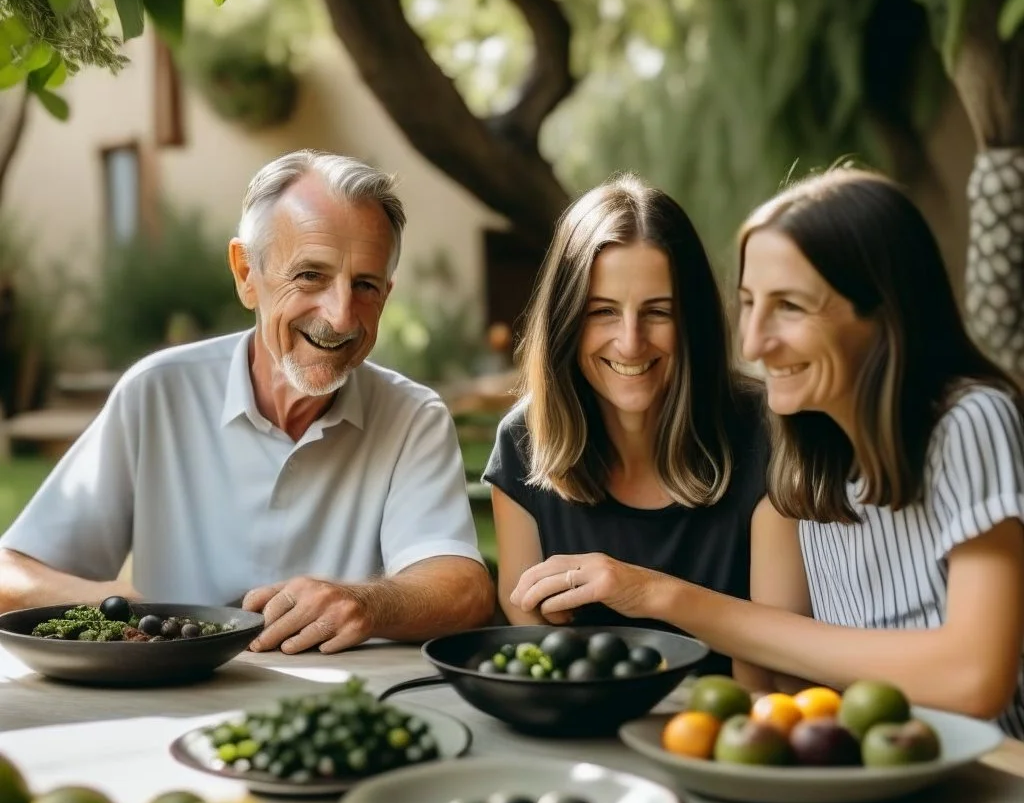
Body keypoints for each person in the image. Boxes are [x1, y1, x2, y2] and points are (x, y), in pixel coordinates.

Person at [508, 167, 1024, 737]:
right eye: (750, 304)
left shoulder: (970, 419)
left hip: (991, 777)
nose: (753, 342)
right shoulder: (807, 439)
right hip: (856, 766)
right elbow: (788, 681)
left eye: (791, 307)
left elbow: (975, 678)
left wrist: (658, 595)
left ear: (882, 310)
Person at [0, 150, 494, 653]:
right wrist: (123, 607)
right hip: (173, 699)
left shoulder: (413, 416)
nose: (342, 316)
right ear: (245, 274)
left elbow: (464, 590)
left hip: (335, 705)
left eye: (364, 285)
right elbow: (10, 574)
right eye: (310, 276)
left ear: (386, 294)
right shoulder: (158, 393)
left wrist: (365, 603)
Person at [483, 174, 768, 674]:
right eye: (603, 312)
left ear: (693, 321)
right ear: (566, 321)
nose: (631, 342)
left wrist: (645, 592)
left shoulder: (767, 432)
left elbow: (770, 674)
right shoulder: (522, 442)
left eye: (658, 312)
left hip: (727, 732)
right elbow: (540, 657)